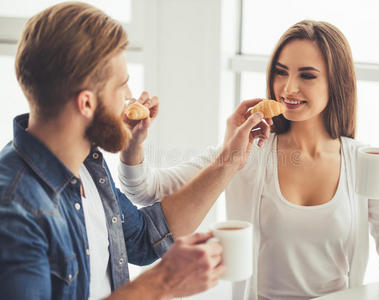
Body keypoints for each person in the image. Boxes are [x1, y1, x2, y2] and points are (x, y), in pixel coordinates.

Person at [119, 20, 379, 300]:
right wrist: (133, 143)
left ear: (336, 82)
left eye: (307, 75)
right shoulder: (247, 151)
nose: (288, 88)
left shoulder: (362, 161)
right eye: (280, 71)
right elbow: (144, 190)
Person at [0, 2, 270, 300]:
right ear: (86, 103)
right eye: (122, 86)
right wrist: (161, 283)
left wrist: (229, 162)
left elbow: (143, 238)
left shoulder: (87, 165)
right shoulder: (15, 211)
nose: (130, 99)